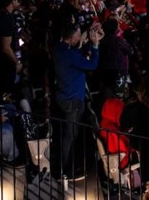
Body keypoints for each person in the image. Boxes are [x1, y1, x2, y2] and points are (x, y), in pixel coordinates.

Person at [53, 22, 104, 179]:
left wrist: (83, 42)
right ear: (72, 37)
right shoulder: (69, 55)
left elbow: (75, 56)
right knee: (70, 135)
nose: (79, 36)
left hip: (63, 97)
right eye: (78, 34)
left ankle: (65, 166)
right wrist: (95, 46)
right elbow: (92, 65)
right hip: (72, 101)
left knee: (67, 134)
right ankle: (65, 170)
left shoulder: (59, 49)